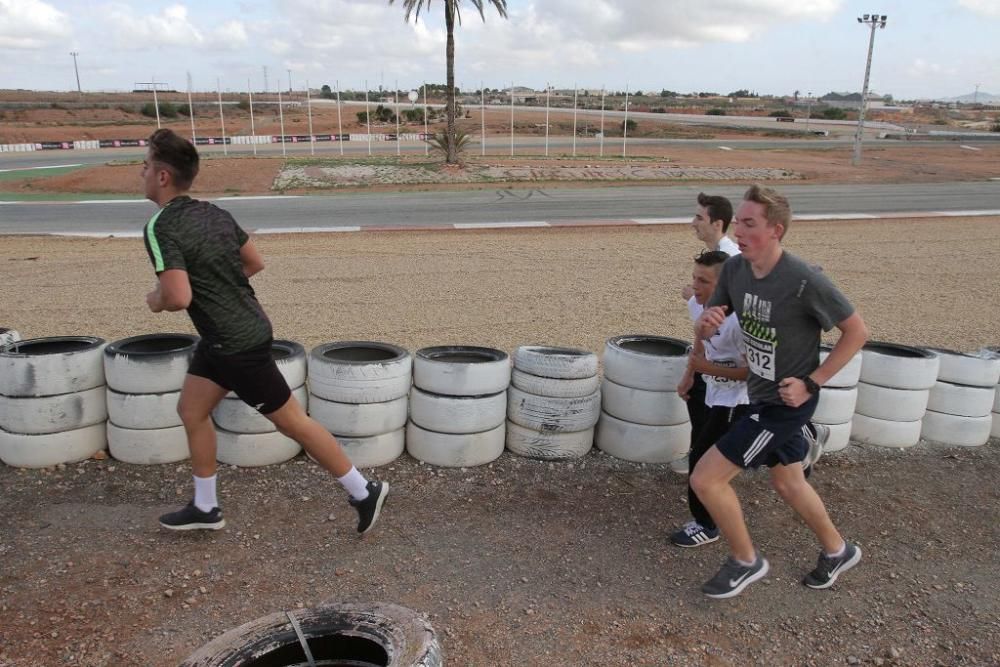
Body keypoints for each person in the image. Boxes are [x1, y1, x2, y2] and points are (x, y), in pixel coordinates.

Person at [140, 128, 388, 535]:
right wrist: (218, 288)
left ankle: (363, 490)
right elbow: (254, 262)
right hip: (231, 336)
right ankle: (205, 507)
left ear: (163, 176)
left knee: (292, 422)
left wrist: (157, 299)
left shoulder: (161, 227)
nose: (142, 174)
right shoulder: (215, 214)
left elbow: (178, 296)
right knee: (191, 410)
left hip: (235, 344)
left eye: (146, 166)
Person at [690, 184, 868, 598]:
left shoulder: (804, 280)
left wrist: (812, 382)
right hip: (759, 393)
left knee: (706, 479)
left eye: (751, 224)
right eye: (740, 223)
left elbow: (857, 332)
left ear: (777, 231)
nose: (741, 231)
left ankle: (745, 561)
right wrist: (708, 323)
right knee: (789, 484)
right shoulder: (734, 270)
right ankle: (838, 550)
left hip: (785, 403)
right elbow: (713, 319)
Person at [673, 251, 749, 548]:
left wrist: (707, 370)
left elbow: (755, 375)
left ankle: (707, 524)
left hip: (738, 399)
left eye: (703, 280)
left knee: (702, 459)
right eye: (694, 278)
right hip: (713, 390)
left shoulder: (742, 325)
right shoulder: (698, 304)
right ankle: (799, 439)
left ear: (724, 285)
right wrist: (690, 374)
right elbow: (700, 340)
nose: (695, 286)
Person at [680, 193, 739, 447]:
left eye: (699, 217)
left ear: (717, 224)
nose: (693, 222)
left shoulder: (732, 260)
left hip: (732, 370)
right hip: (714, 356)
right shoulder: (716, 255)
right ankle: (700, 452)